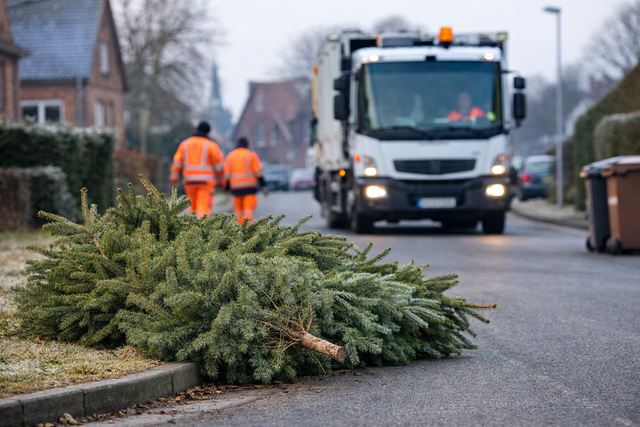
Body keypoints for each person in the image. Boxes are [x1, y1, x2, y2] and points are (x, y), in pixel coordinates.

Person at [169, 121, 224, 217]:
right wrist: (222, 182)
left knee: (193, 209)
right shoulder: (211, 145)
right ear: (207, 133)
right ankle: (200, 229)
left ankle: (193, 229)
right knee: (203, 209)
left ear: (196, 130)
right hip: (205, 183)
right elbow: (219, 165)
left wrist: (174, 178)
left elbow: (177, 162)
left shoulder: (185, 144)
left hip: (189, 182)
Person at [224, 137, 267, 224]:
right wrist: (263, 186)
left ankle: (238, 231)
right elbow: (259, 173)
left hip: (235, 190)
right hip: (249, 189)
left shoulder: (230, 156)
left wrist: (227, 189)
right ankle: (247, 230)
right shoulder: (251, 155)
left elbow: (227, 175)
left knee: (238, 211)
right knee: (248, 211)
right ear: (247, 145)